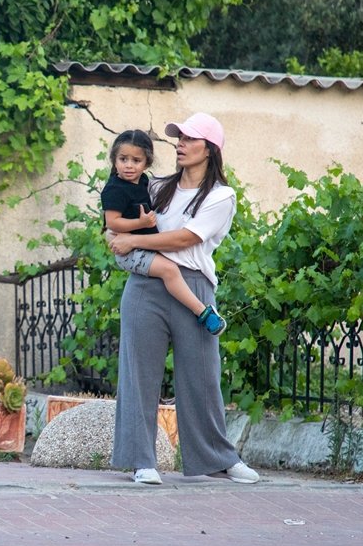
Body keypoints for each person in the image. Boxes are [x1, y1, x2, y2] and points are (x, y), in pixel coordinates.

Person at [108, 112, 259, 486]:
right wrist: (120, 238)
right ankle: (141, 461)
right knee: (138, 376)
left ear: (210, 149)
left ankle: (219, 458)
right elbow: (116, 225)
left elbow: (184, 239)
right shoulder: (156, 186)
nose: (180, 144)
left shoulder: (222, 196)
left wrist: (133, 240)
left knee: (203, 377)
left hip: (193, 285)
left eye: (190, 139)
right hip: (145, 285)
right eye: (178, 138)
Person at [100, 129, 226, 335]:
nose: (129, 165)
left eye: (136, 160)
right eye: (123, 159)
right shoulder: (115, 189)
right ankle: (202, 312)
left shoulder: (146, 183)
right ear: (114, 160)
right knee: (170, 270)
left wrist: (134, 236)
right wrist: (138, 226)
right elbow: (112, 224)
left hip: (139, 247)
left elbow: (184, 238)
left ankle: (201, 311)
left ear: (146, 164)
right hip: (131, 252)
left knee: (169, 269)